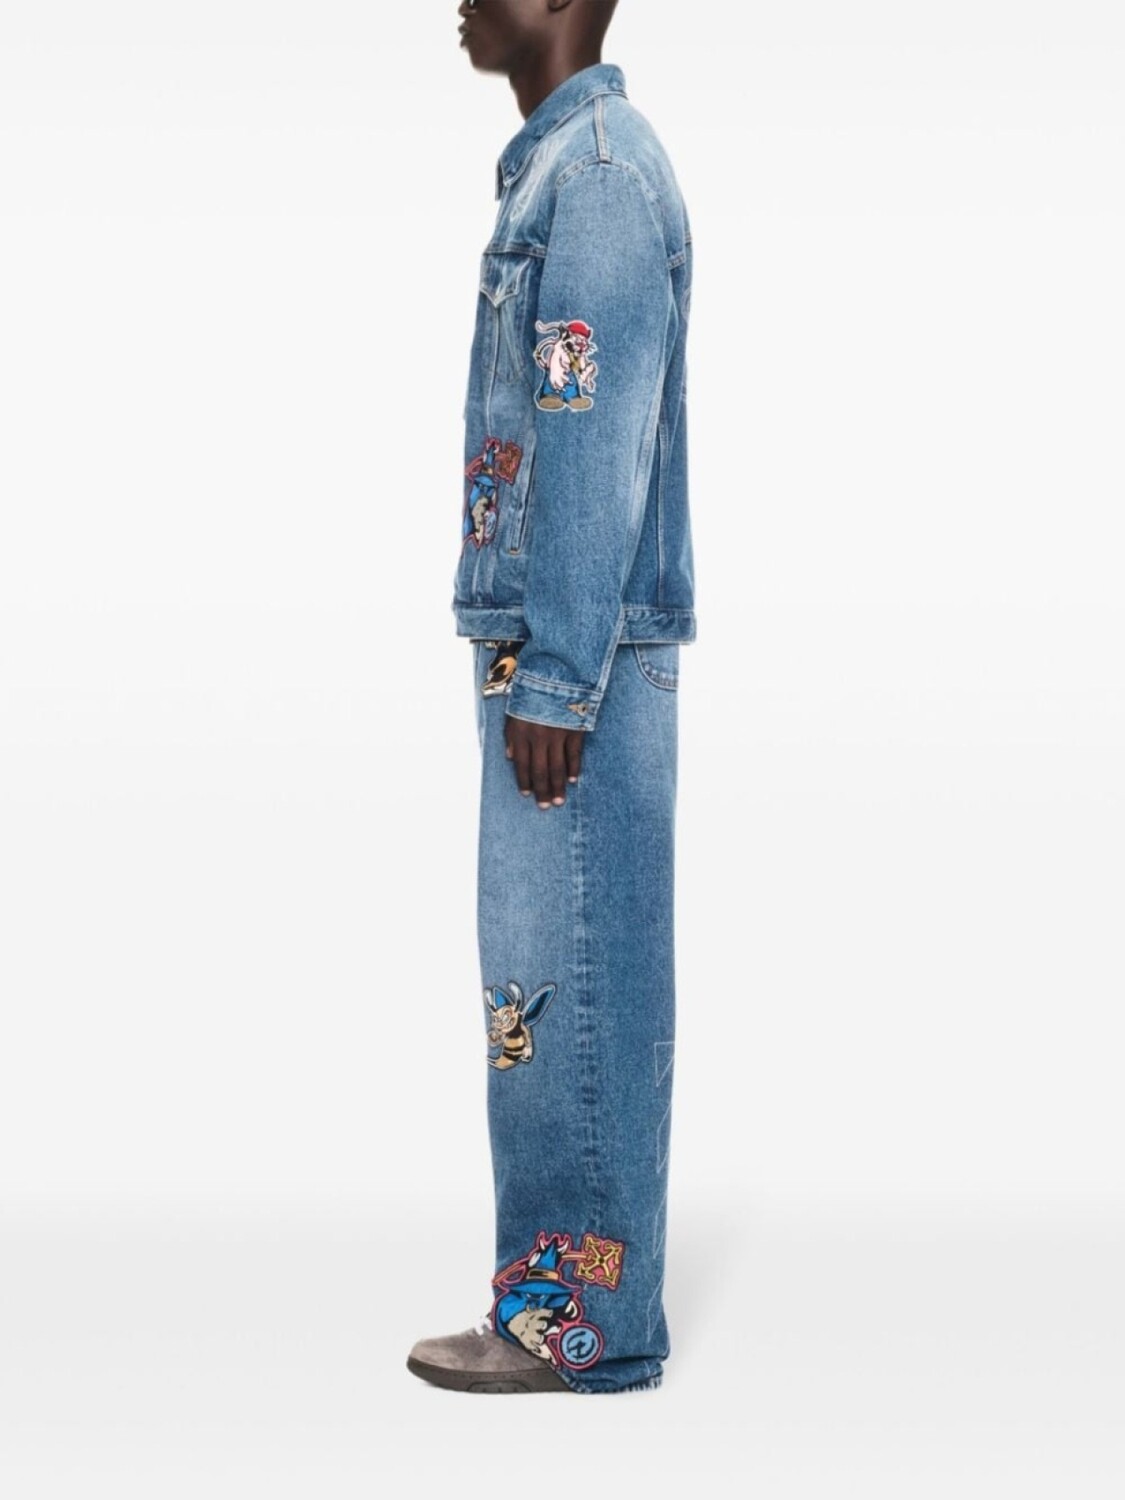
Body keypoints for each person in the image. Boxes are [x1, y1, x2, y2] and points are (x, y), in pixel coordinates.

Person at [407, 0, 697, 1395]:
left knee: (565, 987)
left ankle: (575, 1325)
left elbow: (592, 426)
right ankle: (573, 1305)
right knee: (552, 983)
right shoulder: (563, 170)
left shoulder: (595, 176)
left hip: (568, 665)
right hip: (553, 652)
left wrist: (563, 676)